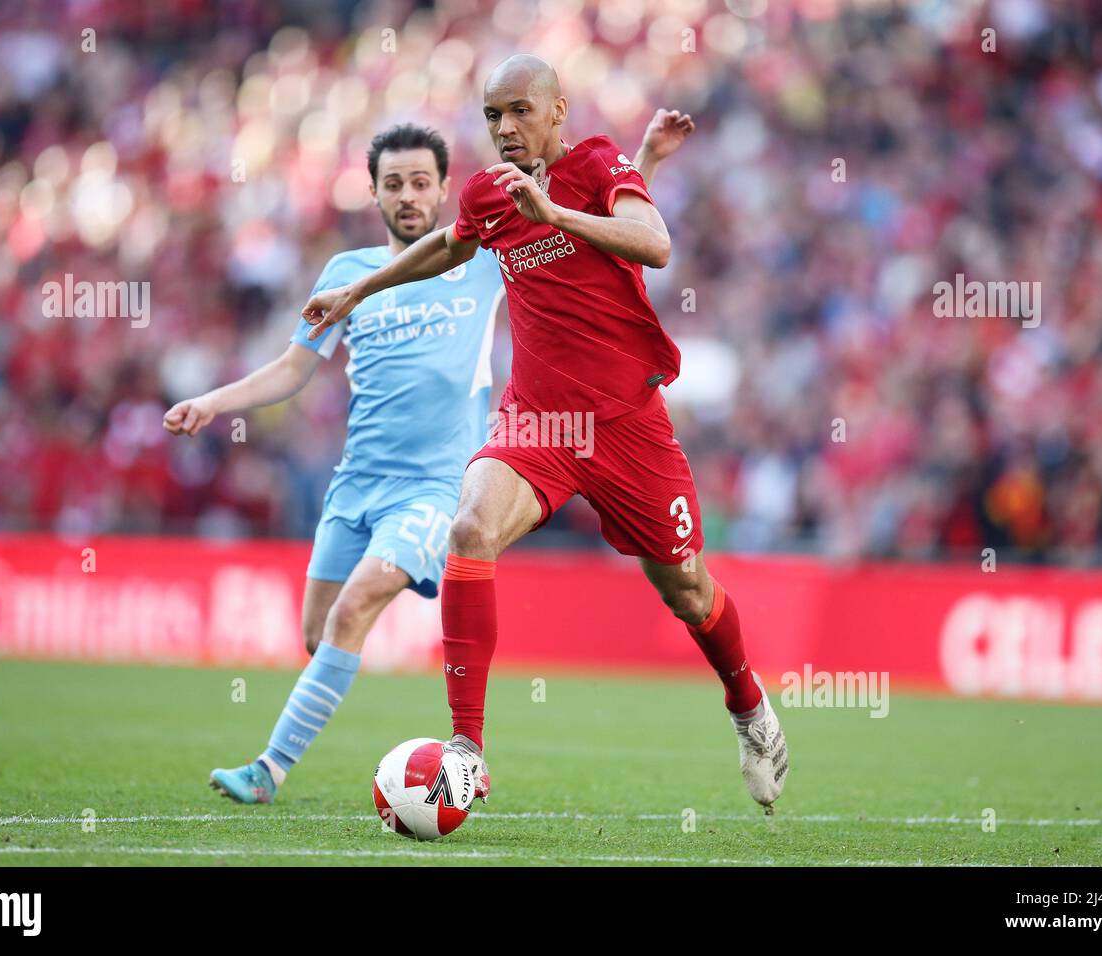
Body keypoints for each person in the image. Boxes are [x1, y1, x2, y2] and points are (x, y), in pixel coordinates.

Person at [301, 55, 787, 812]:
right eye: (493, 116)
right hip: (537, 420)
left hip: (628, 424)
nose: (504, 129)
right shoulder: (490, 193)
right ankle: (468, 746)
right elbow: (452, 246)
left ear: (558, 110)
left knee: (688, 592)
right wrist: (359, 289)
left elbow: (653, 243)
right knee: (470, 528)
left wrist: (560, 212)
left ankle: (749, 706)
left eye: (520, 111)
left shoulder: (596, 161)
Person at [164, 111, 693, 804]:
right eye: (394, 184)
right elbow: (293, 369)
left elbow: (600, 247)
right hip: (355, 485)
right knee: (318, 633)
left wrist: (645, 162)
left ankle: (268, 772)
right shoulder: (347, 273)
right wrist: (216, 402)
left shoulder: (479, 258)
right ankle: (418, 749)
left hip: (437, 487)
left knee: (355, 609)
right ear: (375, 194)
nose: (409, 195)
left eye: (421, 182)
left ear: (444, 189)